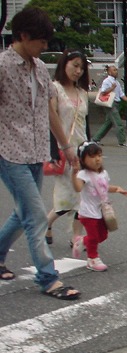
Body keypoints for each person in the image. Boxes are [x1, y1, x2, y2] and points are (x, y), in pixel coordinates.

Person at [0, 7, 80, 300]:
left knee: (23, 212)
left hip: (35, 151)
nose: (45, 47)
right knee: (35, 216)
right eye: (41, 41)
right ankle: (48, 278)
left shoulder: (39, 68)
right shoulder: (2, 66)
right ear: (23, 36)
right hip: (9, 152)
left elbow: (49, 111)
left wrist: (66, 147)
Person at [45, 50, 90, 247]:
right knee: (66, 197)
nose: (78, 71)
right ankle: (45, 224)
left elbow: (85, 124)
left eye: (82, 68)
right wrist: (54, 152)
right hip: (63, 150)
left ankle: (76, 236)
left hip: (82, 151)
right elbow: (50, 120)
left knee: (83, 195)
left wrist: (90, 149)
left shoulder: (82, 93)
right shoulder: (54, 89)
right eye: (75, 65)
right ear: (64, 64)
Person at [71, 141, 127, 271]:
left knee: (102, 236)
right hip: (88, 212)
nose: (97, 159)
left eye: (99, 155)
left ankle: (82, 241)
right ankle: (92, 259)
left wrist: (117, 189)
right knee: (93, 237)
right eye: (92, 156)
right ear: (83, 159)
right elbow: (78, 188)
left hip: (100, 211)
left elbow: (104, 187)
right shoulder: (83, 175)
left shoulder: (103, 173)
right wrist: (74, 174)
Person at [92, 65, 127, 148]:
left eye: (116, 70)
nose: (116, 72)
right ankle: (122, 141)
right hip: (111, 104)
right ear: (109, 72)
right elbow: (103, 92)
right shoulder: (107, 81)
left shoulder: (117, 82)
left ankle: (95, 139)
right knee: (118, 123)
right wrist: (111, 88)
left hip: (116, 103)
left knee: (108, 123)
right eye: (114, 70)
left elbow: (121, 94)